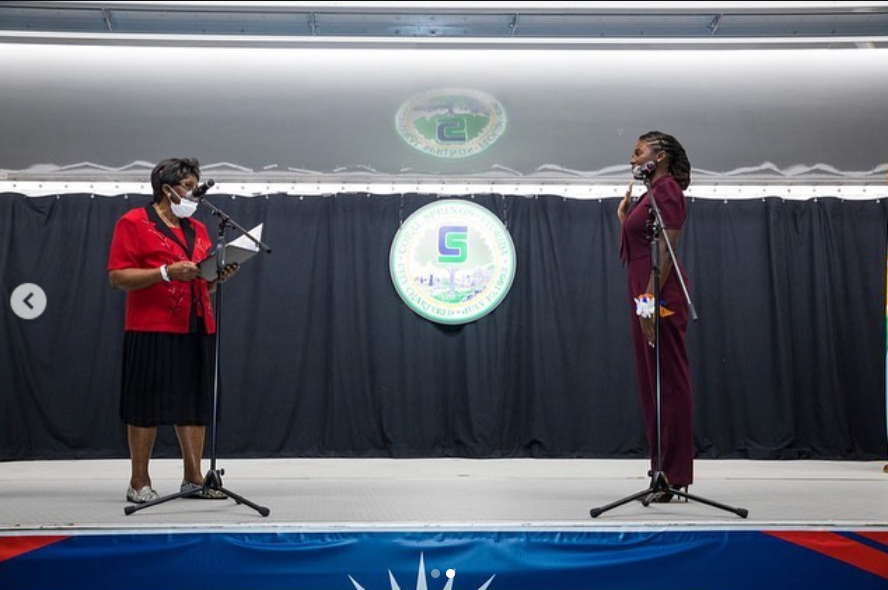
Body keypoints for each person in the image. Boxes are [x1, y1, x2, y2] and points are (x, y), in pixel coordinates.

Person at [108, 157, 239, 503]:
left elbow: (197, 280)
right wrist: (164, 272)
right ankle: (139, 482)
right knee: (145, 404)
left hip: (196, 324)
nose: (196, 195)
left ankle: (194, 478)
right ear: (167, 189)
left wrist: (215, 277)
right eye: (190, 187)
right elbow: (118, 276)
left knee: (194, 404)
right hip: (152, 326)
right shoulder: (134, 222)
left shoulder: (198, 229)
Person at [617, 131, 693, 503]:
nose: (631, 160)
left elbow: (667, 246)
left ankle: (675, 473)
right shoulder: (650, 194)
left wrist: (648, 298)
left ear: (659, 156)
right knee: (652, 384)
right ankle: (660, 470)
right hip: (645, 293)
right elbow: (643, 240)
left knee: (668, 382)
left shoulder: (667, 190)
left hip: (659, 295)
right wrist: (624, 217)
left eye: (637, 152)